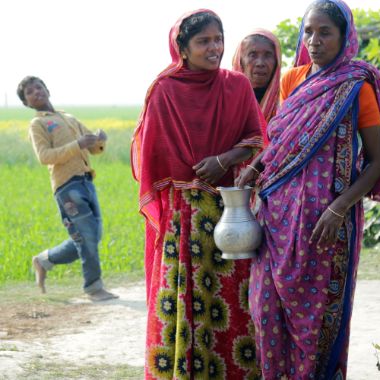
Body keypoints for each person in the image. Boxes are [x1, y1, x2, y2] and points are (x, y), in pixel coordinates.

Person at [236, 1, 380, 378]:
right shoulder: (291, 80)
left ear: (345, 36)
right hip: (276, 218)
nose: (314, 40)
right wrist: (255, 167)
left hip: (326, 226)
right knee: (265, 311)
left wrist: (338, 208)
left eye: (325, 32)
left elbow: (375, 163)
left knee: (315, 326)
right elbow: (280, 141)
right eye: (308, 31)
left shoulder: (357, 85)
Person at [131, 10, 263, 379]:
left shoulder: (236, 86)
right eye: (204, 41)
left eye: (218, 39)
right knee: (183, 298)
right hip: (183, 217)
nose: (215, 48)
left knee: (232, 302)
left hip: (230, 211)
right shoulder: (164, 90)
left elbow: (256, 139)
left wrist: (224, 158)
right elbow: (153, 158)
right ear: (182, 49)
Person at [17, 76, 118, 302]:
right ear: (27, 103)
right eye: (30, 92)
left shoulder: (68, 117)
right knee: (88, 236)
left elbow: (94, 149)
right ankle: (94, 287)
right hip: (66, 186)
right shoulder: (38, 124)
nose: (36, 92)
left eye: (39, 87)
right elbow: (44, 157)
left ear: (47, 90)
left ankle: (44, 260)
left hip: (86, 181)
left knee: (90, 236)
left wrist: (100, 140)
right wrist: (78, 144)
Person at [232, 29, 282, 144]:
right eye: (252, 55)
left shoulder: (286, 101)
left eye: (268, 55)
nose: (260, 63)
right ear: (240, 60)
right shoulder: (225, 100)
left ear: (277, 61)